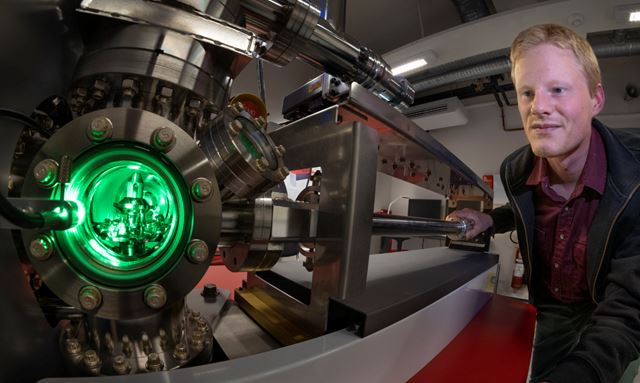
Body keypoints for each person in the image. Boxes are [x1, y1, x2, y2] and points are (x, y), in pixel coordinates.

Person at [447, 24, 640, 383]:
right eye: (527, 92)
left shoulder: (635, 177)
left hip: (611, 310)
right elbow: (528, 211)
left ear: (596, 99)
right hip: (551, 306)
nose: (538, 107)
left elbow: (630, 307)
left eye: (558, 89)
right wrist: (490, 219)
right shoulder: (516, 171)